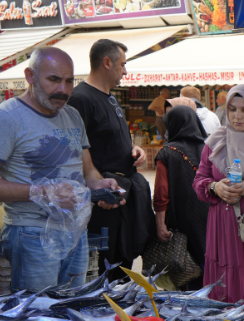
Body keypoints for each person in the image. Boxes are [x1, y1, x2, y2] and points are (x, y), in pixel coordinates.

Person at [0, 47, 122, 291]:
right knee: (37, 317)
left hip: (75, 232)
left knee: (69, 311)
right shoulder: (8, 117)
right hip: (31, 234)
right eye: (54, 80)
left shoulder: (72, 115)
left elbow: (88, 171)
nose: (63, 90)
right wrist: (43, 192)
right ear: (30, 76)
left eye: (69, 81)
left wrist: (101, 185)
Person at [68, 39, 154, 282]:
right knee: (105, 272)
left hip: (123, 197)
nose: (125, 71)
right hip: (103, 203)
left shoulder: (111, 98)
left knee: (124, 266)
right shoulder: (80, 99)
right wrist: (93, 189)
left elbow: (111, 140)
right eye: (123, 65)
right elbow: (75, 152)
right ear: (107, 62)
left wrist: (134, 149)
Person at [192, 85, 244, 316]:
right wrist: (215, 187)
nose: (238, 116)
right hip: (224, 229)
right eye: (232, 109)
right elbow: (200, 180)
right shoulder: (216, 141)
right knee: (227, 284)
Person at [154, 105, 209, 289]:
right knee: (208, 256)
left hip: (182, 219)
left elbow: (161, 193)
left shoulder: (168, 152)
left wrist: (160, 223)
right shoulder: (209, 148)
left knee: (186, 263)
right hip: (210, 214)